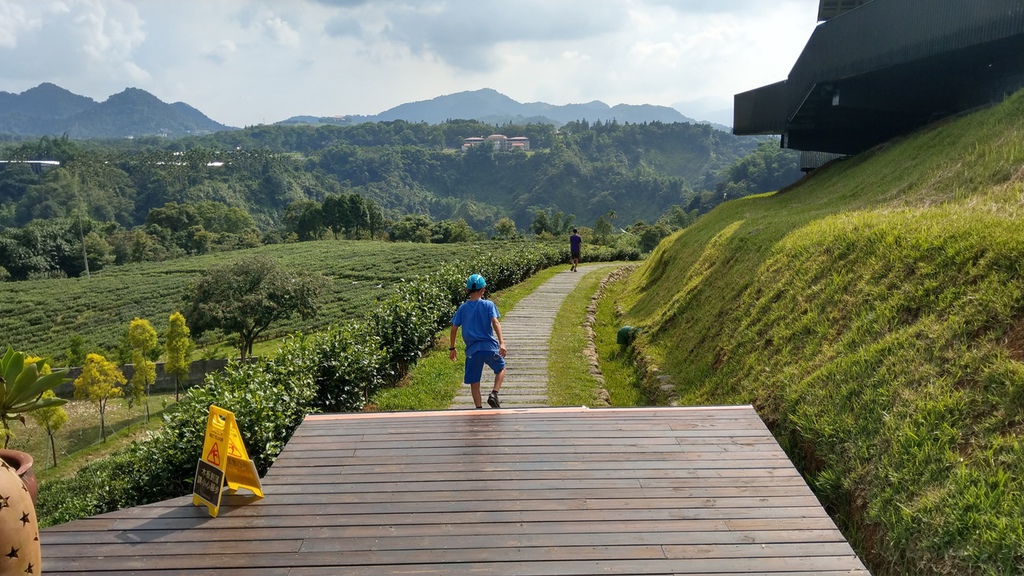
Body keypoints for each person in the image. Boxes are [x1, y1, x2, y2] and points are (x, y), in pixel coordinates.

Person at [450, 273, 507, 408]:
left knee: (474, 382)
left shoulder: (463, 308)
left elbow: (453, 328)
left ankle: (478, 409)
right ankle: (494, 393)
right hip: (489, 347)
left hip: (472, 351)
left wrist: (452, 348)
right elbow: (495, 322)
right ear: (483, 290)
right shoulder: (488, 305)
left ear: (467, 290)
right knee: (501, 368)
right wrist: (502, 342)